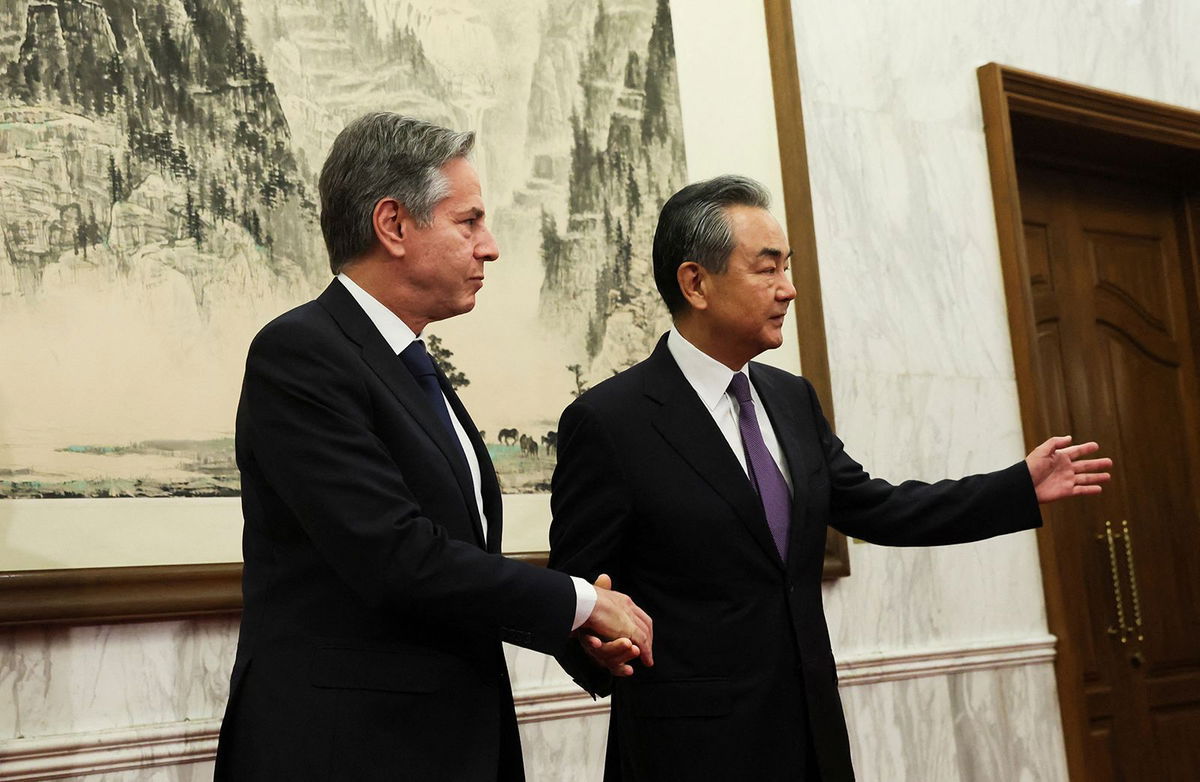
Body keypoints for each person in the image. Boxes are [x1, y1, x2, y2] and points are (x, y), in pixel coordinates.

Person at [547, 175, 1111, 782]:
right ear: (695, 283)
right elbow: (570, 595)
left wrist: (1016, 486)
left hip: (811, 737)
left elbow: (882, 509)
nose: (788, 290)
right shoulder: (611, 421)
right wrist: (595, 646)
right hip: (686, 752)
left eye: (787, 268)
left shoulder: (790, 399)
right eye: (767, 270)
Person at [214, 113, 653, 782]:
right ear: (393, 225)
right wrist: (583, 603)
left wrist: (574, 633)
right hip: (347, 753)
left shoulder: (410, 365)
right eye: (468, 222)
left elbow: (455, 569)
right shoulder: (301, 354)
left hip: (447, 743)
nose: (491, 246)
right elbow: (397, 557)